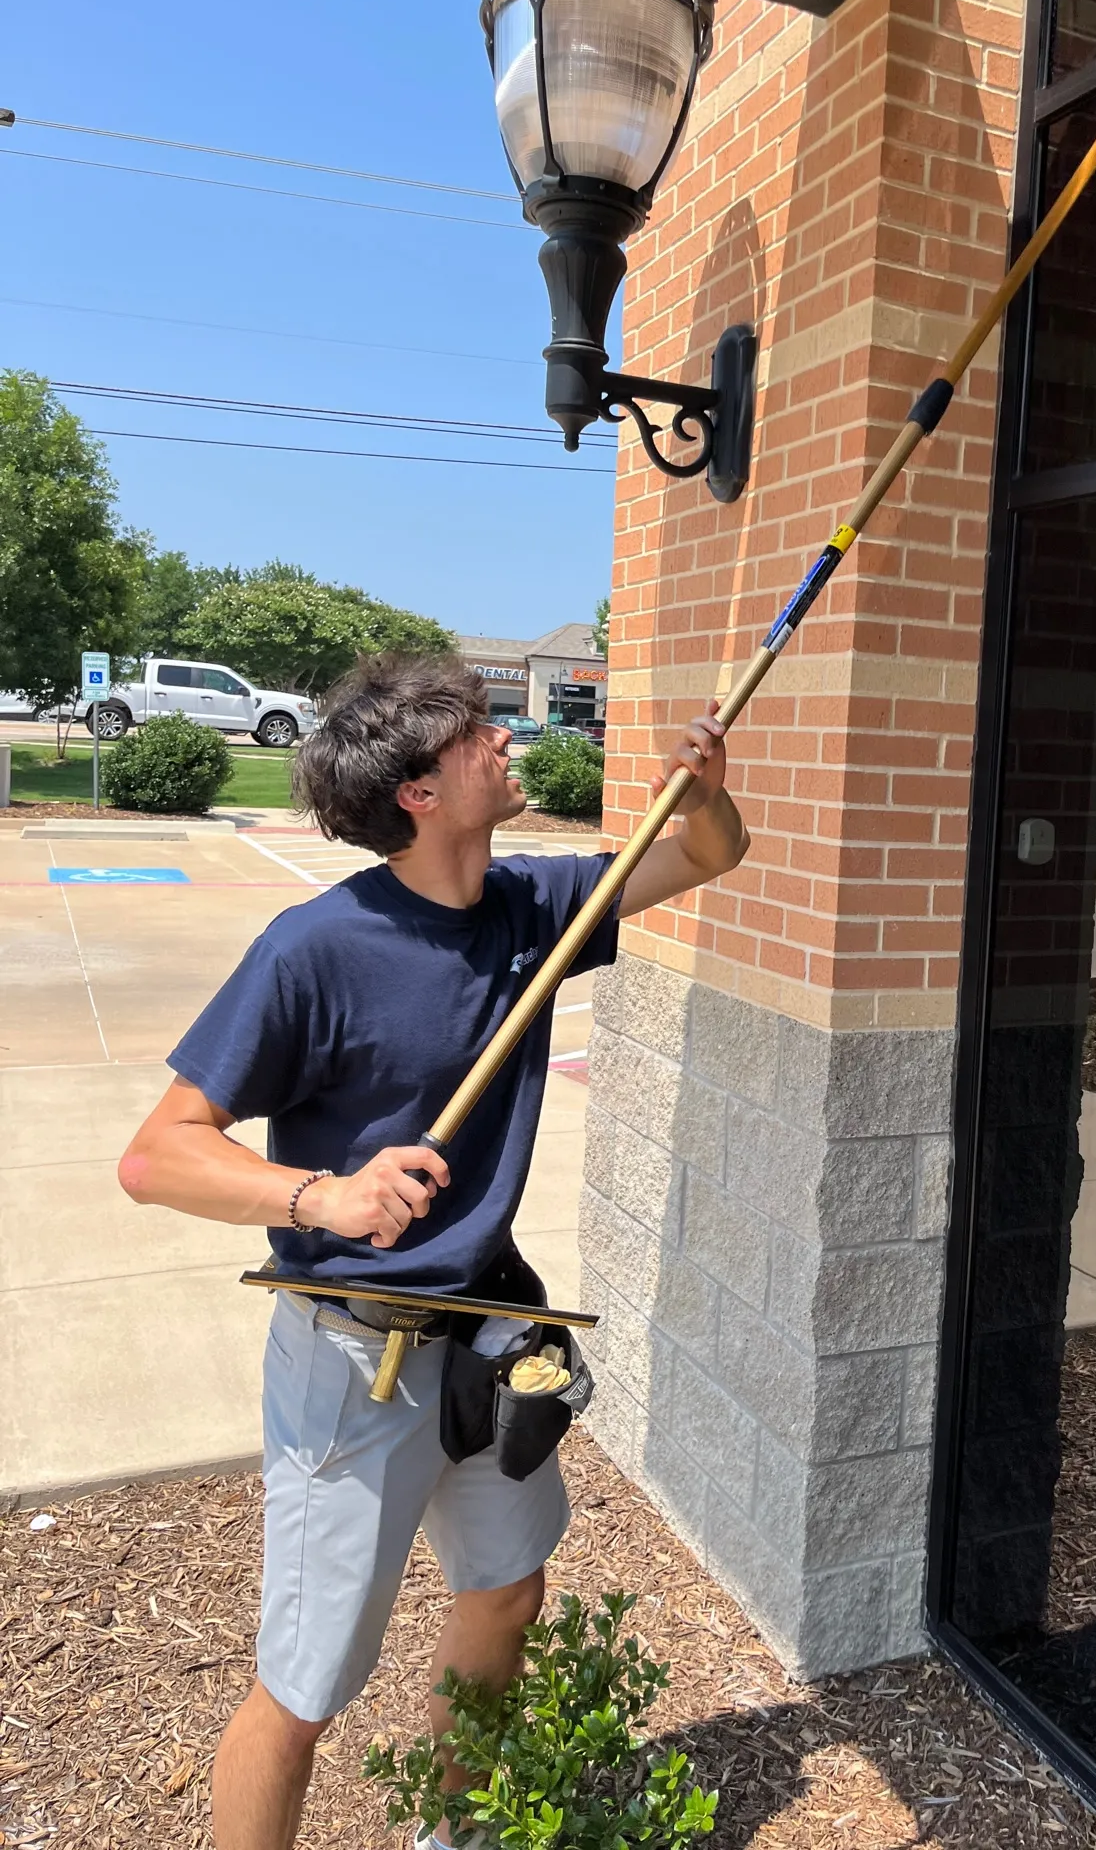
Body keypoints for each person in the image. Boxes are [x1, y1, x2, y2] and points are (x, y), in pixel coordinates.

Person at [118, 653, 748, 1850]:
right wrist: (326, 1196)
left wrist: (705, 788)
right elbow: (157, 1156)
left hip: (488, 1341)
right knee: (302, 1694)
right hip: (353, 1361)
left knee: (509, 1593)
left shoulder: (531, 910)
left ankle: (452, 1835)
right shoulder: (317, 950)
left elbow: (708, 854)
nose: (506, 740)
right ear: (417, 789)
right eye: (479, 734)